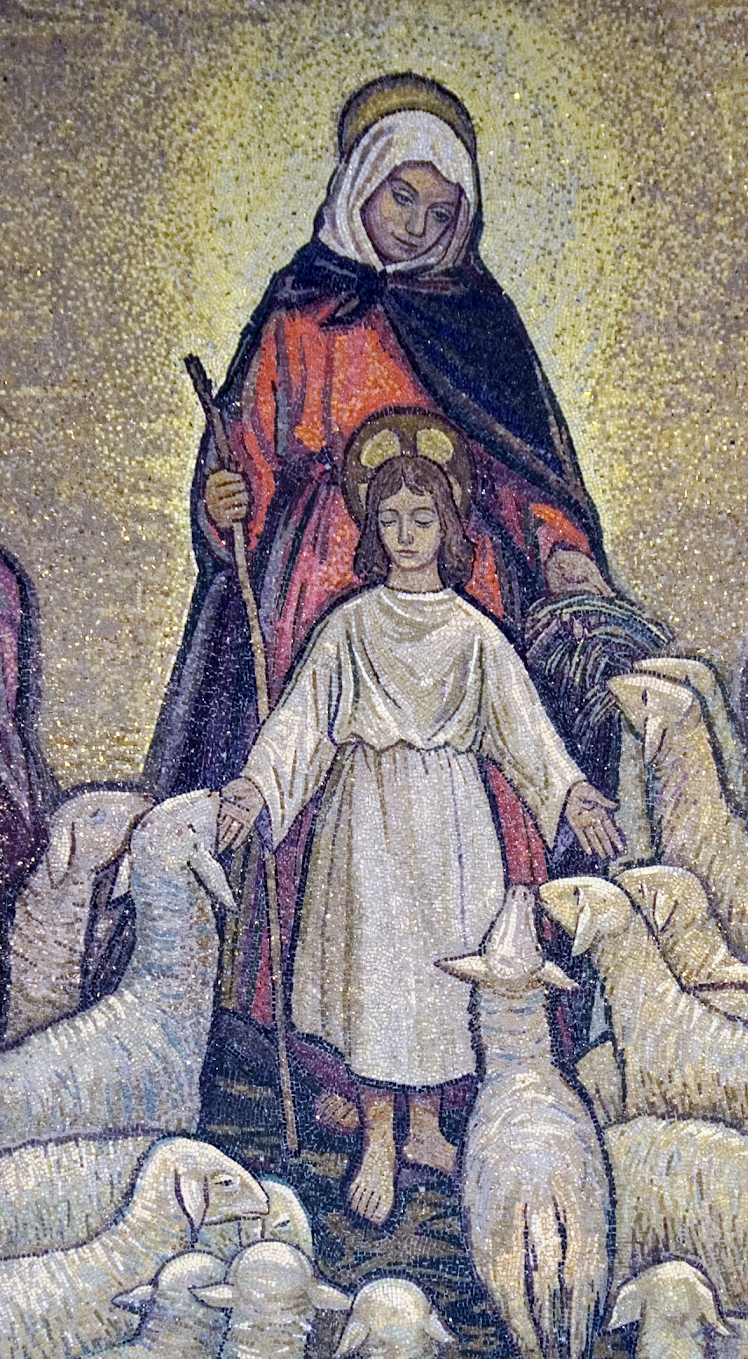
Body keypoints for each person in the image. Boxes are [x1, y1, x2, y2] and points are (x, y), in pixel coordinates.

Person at [144, 73, 618, 1123]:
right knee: (323, 827)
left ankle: (471, 1064)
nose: (415, 224)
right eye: (401, 196)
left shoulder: (476, 324)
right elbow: (247, 450)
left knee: (476, 831)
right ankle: (327, 1066)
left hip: (459, 594)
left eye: (439, 211)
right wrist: (223, 495)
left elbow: (521, 474)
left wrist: (561, 551)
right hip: (320, 596)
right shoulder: (301, 308)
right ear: (358, 183)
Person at [216, 412, 622, 1225]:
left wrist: (572, 793)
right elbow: (302, 721)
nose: (406, 535)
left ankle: (428, 1129)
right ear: (373, 528)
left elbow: (524, 731)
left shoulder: (474, 633)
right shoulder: (351, 625)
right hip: (367, 818)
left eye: (422, 519)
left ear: (448, 527)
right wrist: (257, 788)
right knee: (379, 966)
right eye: (392, 519)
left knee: (440, 970)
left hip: (452, 823)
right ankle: (377, 1134)